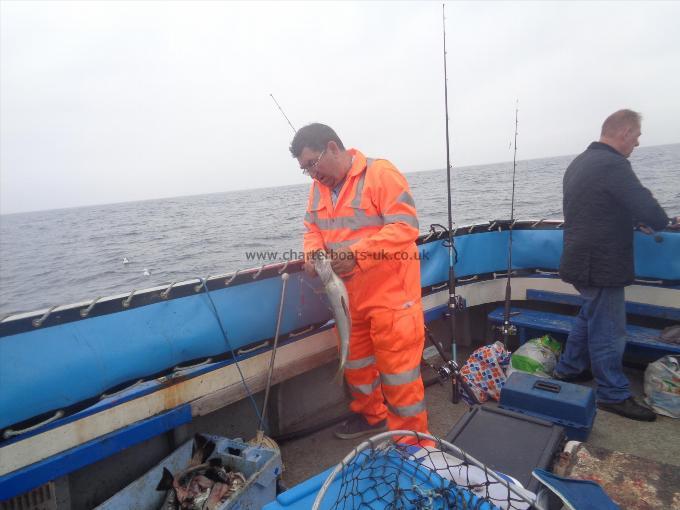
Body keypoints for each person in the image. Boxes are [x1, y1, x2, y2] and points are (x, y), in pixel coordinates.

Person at [289, 123, 429, 440]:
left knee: (399, 377)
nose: (312, 173)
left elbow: (405, 227)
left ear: (333, 148)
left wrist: (357, 254)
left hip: (392, 299)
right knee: (356, 365)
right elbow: (312, 229)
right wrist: (312, 254)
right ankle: (373, 416)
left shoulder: (381, 174)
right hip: (349, 299)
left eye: (313, 163)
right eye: (305, 169)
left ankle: (411, 446)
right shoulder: (318, 189)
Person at [555, 109, 679, 421]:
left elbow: (600, 205)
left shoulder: (580, 162)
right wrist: (663, 221)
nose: (637, 144)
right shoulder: (613, 164)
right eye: (636, 138)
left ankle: (568, 369)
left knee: (589, 315)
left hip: (579, 260)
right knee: (609, 330)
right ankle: (613, 394)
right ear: (623, 133)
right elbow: (647, 206)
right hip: (601, 264)